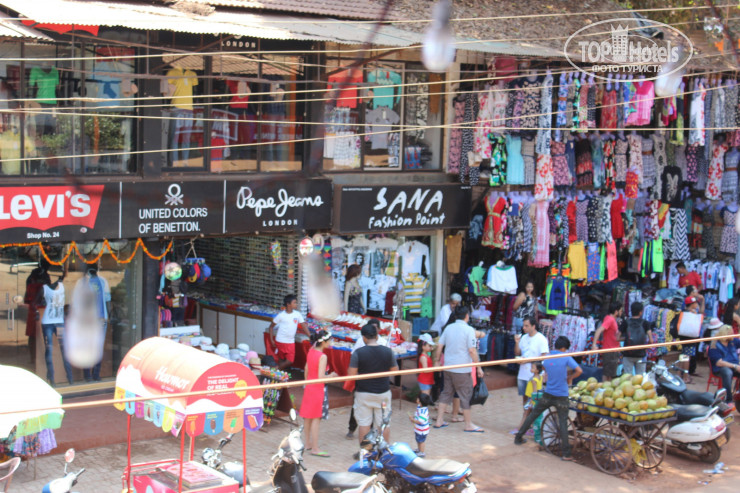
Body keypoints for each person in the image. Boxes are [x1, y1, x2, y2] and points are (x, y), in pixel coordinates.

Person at [515, 336, 582, 462]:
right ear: (564, 348)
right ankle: (566, 454)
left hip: (548, 393)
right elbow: (579, 370)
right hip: (562, 395)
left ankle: (518, 437)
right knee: (563, 422)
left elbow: (545, 368)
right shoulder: (566, 357)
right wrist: (570, 377)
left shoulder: (547, 358)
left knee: (533, 414)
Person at [433, 306, 484, 433]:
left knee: (446, 393)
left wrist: (437, 361)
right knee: (465, 395)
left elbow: (439, 346)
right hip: (462, 369)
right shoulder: (469, 330)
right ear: (467, 316)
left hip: (448, 366)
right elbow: (472, 350)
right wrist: (478, 367)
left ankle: (439, 420)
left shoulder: (448, 328)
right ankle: (468, 424)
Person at [347, 323, 398, 445]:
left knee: (364, 424)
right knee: (384, 424)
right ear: (376, 336)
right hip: (383, 392)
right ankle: (384, 450)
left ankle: (365, 452)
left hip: (363, 393)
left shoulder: (358, 353)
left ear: (364, 337)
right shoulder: (388, 351)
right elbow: (395, 371)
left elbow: (351, 374)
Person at [299, 330, 337, 457]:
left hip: (309, 386)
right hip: (317, 389)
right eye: (329, 340)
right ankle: (315, 448)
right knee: (316, 418)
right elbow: (321, 377)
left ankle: (308, 443)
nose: (330, 342)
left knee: (307, 417)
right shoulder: (322, 356)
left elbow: (306, 368)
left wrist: (306, 383)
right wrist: (331, 376)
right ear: (324, 342)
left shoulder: (311, 351)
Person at [347, 318, 382, 439]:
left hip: (376, 381)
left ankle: (370, 432)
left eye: (375, 328)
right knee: (357, 405)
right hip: (362, 379)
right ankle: (352, 428)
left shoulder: (383, 342)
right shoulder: (361, 341)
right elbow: (353, 358)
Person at [39, 272, 73, 387]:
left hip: (58, 322)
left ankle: (69, 378)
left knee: (62, 349)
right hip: (49, 323)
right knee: (50, 350)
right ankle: (52, 378)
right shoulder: (45, 288)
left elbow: (67, 303)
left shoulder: (62, 287)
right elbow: (36, 302)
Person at [514, 317, 549, 425]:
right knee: (525, 398)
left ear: (533, 326)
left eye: (526, 326)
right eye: (523, 326)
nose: (524, 328)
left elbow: (544, 357)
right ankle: (526, 420)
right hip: (522, 373)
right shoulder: (523, 338)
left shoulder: (541, 339)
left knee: (533, 399)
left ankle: (528, 422)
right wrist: (517, 342)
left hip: (534, 374)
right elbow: (517, 352)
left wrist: (528, 361)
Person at [268, 294, 310, 370]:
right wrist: (271, 340)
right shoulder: (281, 315)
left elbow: (304, 326)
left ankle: (275, 369)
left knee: (290, 361)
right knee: (281, 360)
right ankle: (280, 375)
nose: (296, 304)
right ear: (288, 304)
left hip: (290, 342)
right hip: (280, 341)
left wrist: (310, 336)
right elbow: (271, 327)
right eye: (294, 302)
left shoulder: (297, 314)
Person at [23, 263, 51, 366]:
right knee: (43, 336)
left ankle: (33, 358)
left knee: (32, 337)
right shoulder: (45, 284)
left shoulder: (30, 285)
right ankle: (42, 357)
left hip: (33, 312)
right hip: (43, 312)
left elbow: (26, 300)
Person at [708, 325, 740, 402]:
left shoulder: (732, 341)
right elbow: (719, 363)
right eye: (730, 333)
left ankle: (738, 396)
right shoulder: (714, 345)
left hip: (734, 366)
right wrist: (735, 366)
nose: (733, 335)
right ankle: (728, 399)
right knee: (727, 372)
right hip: (721, 368)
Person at [592, 302, 623, 381]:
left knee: (610, 374)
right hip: (610, 351)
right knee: (608, 374)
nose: (621, 312)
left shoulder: (611, 319)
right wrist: (594, 344)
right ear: (616, 311)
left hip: (612, 350)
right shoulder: (610, 320)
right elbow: (599, 330)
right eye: (620, 311)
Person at [620, 302, 653, 375]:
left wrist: (626, 338)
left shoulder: (625, 322)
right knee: (640, 376)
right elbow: (651, 340)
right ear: (641, 312)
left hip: (628, 354)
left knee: (627, 377)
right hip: (641, 354)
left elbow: (617, 337)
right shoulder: (645, 323)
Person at [516, 362, 544, 434]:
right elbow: (540, 388)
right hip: (537, 398)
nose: (531, 369)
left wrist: (532, 400)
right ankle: (530, 428)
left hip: (532, 399)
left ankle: (519, 429)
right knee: (530, 414)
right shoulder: (540, 377)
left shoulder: (534, 380)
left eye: (533, 368)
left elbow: (534, 391)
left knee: (525, 414)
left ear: (537, 370)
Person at [408, 392, 433, 457]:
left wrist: (412, 420)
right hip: (419, 429)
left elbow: (420, 421)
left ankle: (422, 452)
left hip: (422, 430)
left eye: (418, 398)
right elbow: (417, 416)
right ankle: (419, 449)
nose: (417, 399)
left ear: (420, 401)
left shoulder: (423, 412)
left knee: (421, 441)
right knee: (418, 440)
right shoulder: (419, 407)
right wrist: (413, 417)